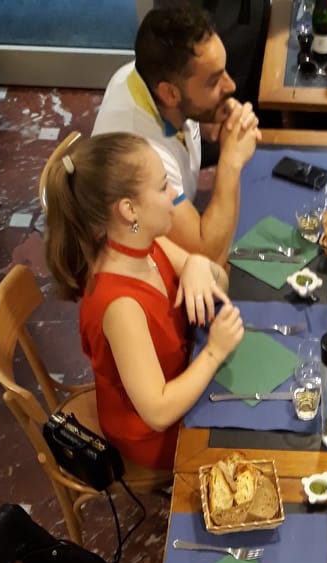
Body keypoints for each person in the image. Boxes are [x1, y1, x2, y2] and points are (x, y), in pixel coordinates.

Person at [44, 132, 244, 471]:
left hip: (184, 377)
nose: (174, 198)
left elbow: (221, 282)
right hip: (152, 437)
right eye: (164, 187)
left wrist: (196, 264)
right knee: (245, 439)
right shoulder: (121, 307)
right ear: (129, 209)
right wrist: (214, 352)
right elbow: (158, 412)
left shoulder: (149, 245)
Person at [93, 3, 261, 261]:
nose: (231, 85)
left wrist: (219, 114)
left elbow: (196, 119)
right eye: (214, 81)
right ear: (170, 93)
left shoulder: (144, 78)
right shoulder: (141, 159)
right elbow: (207, 255)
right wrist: (231, 162)